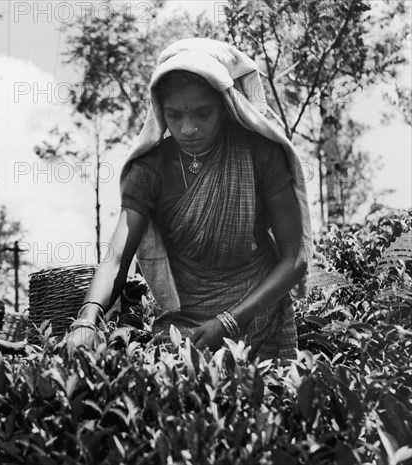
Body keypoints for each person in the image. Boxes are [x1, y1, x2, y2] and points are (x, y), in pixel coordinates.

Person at [66, 38, 313, 362]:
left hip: (257, 317)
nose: (188, 128)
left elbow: (294, 258)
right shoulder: (149, 171)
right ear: (159, 111)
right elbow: (115, 260)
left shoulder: (259, 153)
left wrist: (229, 321)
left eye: (202, 113)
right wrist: (87, 317)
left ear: (225, 107)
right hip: (182, 328)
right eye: (174, 115)